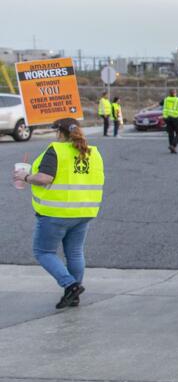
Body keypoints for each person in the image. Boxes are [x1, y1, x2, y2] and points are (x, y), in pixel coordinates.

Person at [13, 117, 104, 309]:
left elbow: (45, 178)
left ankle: (70, 285)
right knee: (75, 253)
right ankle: (74, 294)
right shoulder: (92, 152)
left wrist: (26, 176)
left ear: (60, 133)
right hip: (84, 211)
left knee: (43, 252)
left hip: (56, 213)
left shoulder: (56, 150)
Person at [161, 88, 178, 154]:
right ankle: (173, 145)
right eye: (175, 92)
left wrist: (148, 108)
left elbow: (158, 104)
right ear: (174, 93)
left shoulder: (166, 99)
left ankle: (172, 149)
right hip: (176, 118)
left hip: (167, 118)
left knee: (170, 133)